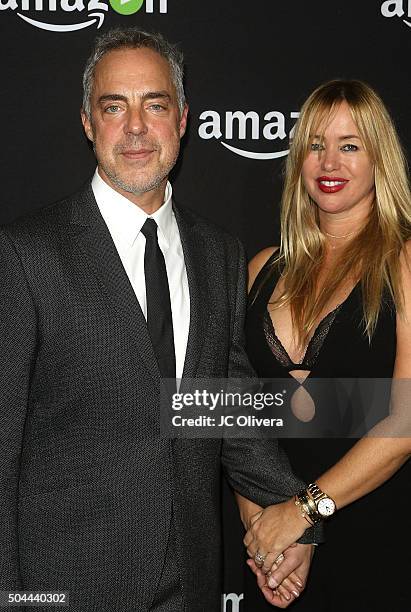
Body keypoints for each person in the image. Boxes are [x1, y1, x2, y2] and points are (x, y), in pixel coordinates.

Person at [0, 28, 319, 611]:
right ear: (88, 123)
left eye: (155, 104)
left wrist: (297, 518)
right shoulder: (25, 255)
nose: (137, 127)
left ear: (183, 118)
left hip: (191, 582)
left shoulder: (219, 252)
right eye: (114, 106)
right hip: (67, 590)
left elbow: (227, 409)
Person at [237, 79, 411, 610]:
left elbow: (406, 421)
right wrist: (265, 528)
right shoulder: (261, 269)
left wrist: (305, 513)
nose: (329, 162)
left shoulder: (403, 261)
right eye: (315, 144)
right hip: (274, 556)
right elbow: (237, 414)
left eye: (350, 145)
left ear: (380, 157)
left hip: (378, 542)